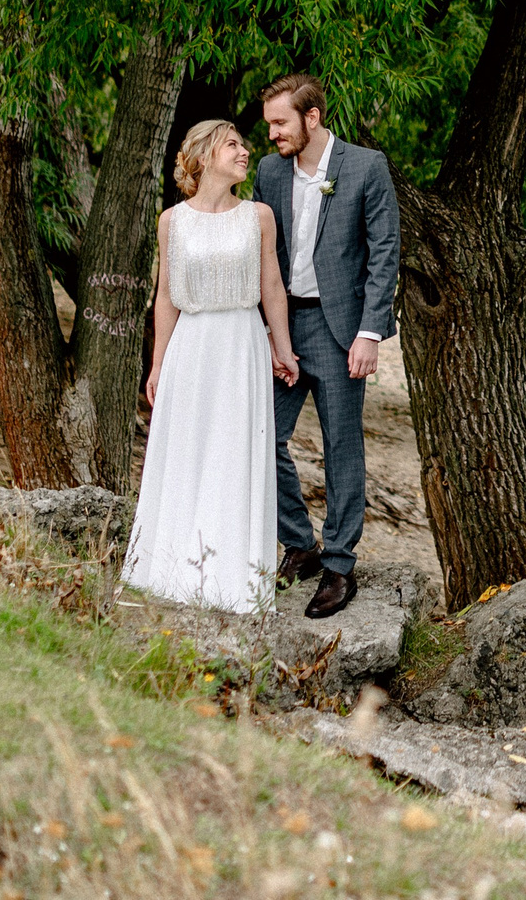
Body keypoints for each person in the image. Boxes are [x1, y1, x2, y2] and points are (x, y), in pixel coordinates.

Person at [122, 120, 300, 611]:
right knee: (188, 450)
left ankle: (230, 577)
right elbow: (165, 298)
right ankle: (171, 570)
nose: (246, 152)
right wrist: (157, 365)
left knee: (233, 450)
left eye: (245, 144)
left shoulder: (259, 216)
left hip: (241, 344)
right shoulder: (172, 221)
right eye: (234, 145)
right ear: (203, 156)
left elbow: (271, 288)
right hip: (191, 348)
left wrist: (281, 349)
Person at [255, 73, 401, 619]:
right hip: (284, 323)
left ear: (311, 117)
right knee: (263, 432)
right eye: (269, 124)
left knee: (343, 448)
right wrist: (272, 333)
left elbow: (385, 251)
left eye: (280, 123)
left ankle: (339, 565)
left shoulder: (366, 167)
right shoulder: (270, 172)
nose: (271, 134)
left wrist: (370, 332)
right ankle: (300, 544)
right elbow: (264, 255)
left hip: (342, 331)